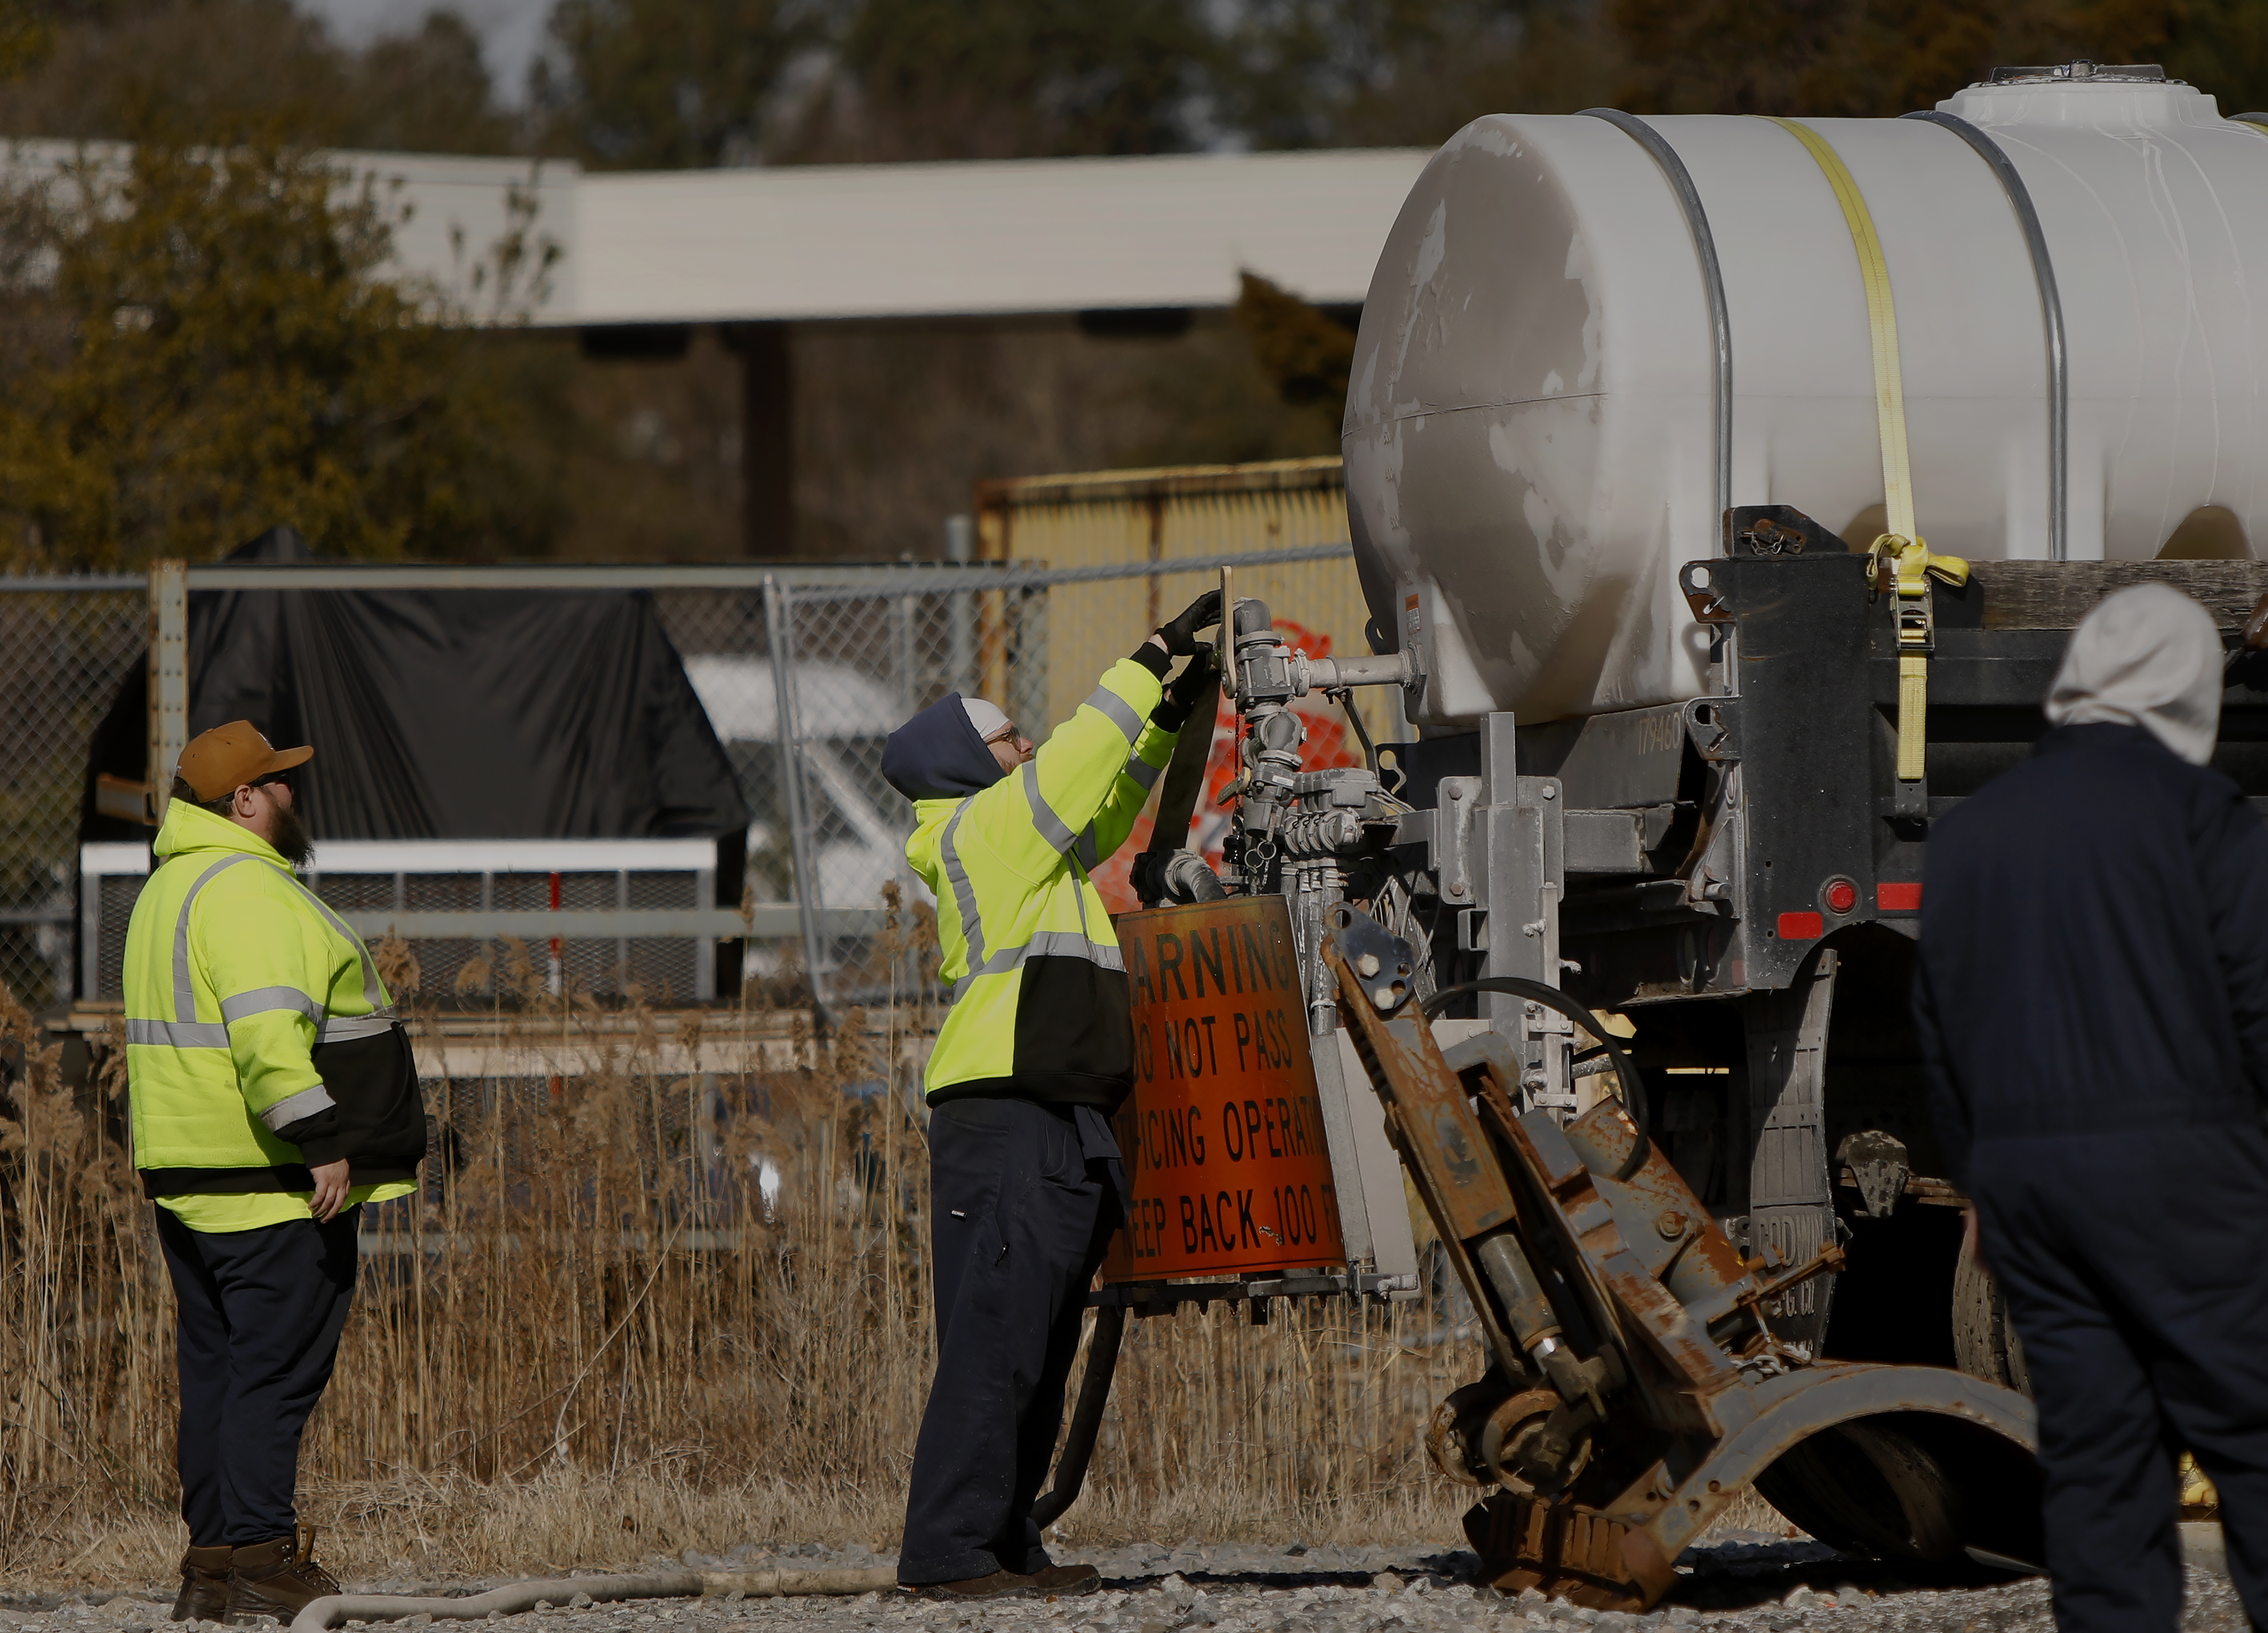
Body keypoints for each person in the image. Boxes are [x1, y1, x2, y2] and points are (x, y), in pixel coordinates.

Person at [1916, 583, 2268, 1633]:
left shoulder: (1972, 834)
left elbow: (1940, 1026)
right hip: (2179, 1166)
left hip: (2030, 1191)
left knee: (2099, 1460)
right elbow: (2258, 1000)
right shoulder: (2200, 813)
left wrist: (1979, 1184)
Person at [883, 591, 1222, 1601]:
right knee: (995, 1335)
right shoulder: (977, 833)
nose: (1025, 746)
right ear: (960, 759)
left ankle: (1004, 1538)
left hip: (1055, 1114)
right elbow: (1074, 764)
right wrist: (1145, 660)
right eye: (1005, 736)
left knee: (1035, 1337)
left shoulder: (1027, 846)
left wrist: (1163, 724)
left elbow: (1102, 804)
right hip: (1004, 1112)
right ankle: (946, 1550)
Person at [123, 721, 428, 1625]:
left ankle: (212, 1564)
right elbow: (266, 1039)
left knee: (217, 1370)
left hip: (189, 1173)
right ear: (245, 801)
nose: (295, 795)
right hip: (269, 1179)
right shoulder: (246, 891)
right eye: (279, 784)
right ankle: (263, 1557)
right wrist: (321, 1139)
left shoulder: (168, 887)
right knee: (273, 1373)